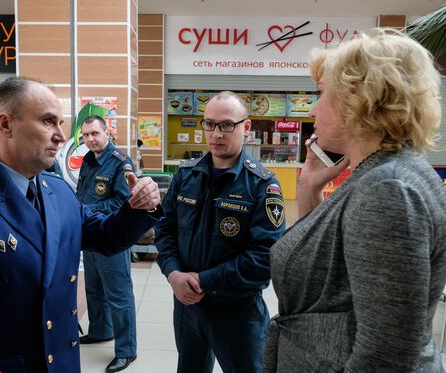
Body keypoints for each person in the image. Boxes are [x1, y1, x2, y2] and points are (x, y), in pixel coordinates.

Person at [0, 77, 162, 373]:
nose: (61, 136)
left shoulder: (59, 190)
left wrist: (139, 207)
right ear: (5, 125)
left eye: (60, 123)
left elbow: (105, 236)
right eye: (48, 122)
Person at [263, 30, 446, 372]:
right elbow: (331, 278)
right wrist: (309, 187)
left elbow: (386, 356)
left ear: (359, 101)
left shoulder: (388, 189)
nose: (313, 108)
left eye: (322, 95)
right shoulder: (384, 174)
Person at [156, 91, 286, 373]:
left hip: (237, 311)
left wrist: (204, 279)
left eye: (227, 125)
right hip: (187, 306)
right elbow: (165, 229)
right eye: (209, 124)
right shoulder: (186, 175)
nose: (216, 133)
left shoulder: (263, 185)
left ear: (246, 128)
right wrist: (173, 273)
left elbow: (265, 258)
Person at [75, 115, 137, 373]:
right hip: (91, 237)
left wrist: (84, 209)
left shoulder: (120, 163)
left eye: (95, 134)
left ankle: (126, 351)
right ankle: (100, 331)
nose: (90, 139)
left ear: (107, 133)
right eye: (86, 135)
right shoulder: (88, 161)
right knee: (94, 289)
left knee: (119, 296)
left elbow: (124, 201)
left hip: (112, 238)